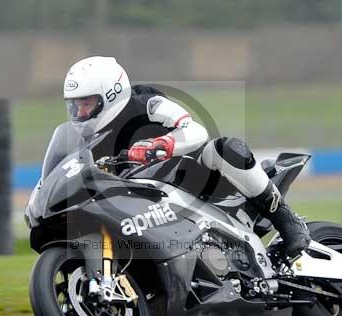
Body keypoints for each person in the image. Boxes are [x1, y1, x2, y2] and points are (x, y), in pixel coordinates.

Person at [62, 56, 310, 258]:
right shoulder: (87, 143)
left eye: (87, 103)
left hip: (196, 184)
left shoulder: (145, 103)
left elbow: (195, 131)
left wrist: (159, 144)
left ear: (112, 94)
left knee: (225, 149)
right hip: (143, 211)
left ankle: (287, 221)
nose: (80, 112)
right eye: (75, 106)